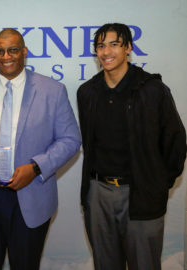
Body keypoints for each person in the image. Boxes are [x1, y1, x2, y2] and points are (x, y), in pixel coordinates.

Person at [0, 28, 81, 270]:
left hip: (30, 196)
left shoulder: (52, 91)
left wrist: (35, 168)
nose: (6, 56)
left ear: (24, 52)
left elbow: (70, 140)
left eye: (12, 50)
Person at [77, 23, 186, 270]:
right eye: (101, 46)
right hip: (99, 194)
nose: (106, 52)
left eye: (114, 44)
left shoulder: (152, 90)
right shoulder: (88, 93)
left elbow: (175, 143)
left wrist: (156, 183)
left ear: (128, 48)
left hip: (141, 195)